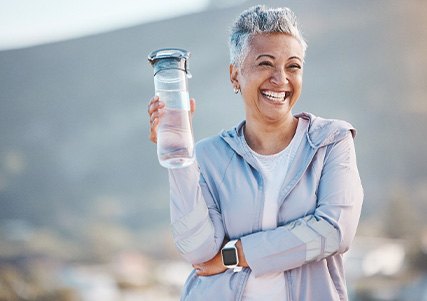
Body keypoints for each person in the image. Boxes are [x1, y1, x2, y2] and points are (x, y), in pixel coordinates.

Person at [147, 5, 363, 301]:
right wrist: (178, 156)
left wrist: (234, 255)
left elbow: (333, 232)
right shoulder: (209, 155)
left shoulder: (330, 141)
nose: (280, 78)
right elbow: (197, 249)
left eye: (293, 66)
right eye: (265, 63)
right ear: (235, 75)